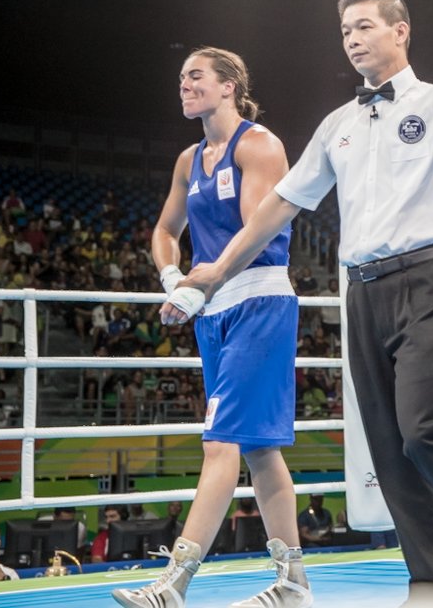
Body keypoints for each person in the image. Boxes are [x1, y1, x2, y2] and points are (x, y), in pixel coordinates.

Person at [164, 0, 433, 604]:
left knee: (422, 431)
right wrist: (216, 270)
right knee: (389, 450)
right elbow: (280, 205)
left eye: (364, 26)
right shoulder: (336, 124)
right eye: (344, 31)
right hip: (360, 293)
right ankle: (427, 579)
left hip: (424, 279)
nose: (353, 39)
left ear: (401, 31)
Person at [112, 47, 310, 608]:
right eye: (180, 78)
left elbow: (255, 233)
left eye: (195, 76)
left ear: (229, 86)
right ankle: (294, 584)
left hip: (258, 302)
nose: (184, 85)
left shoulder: (259, 144)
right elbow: (164, 230)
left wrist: (205, 281)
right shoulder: (187, 160)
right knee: (260, 451)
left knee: (221, 441)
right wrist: (175, 278)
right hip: (214, 310)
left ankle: (175, 582)